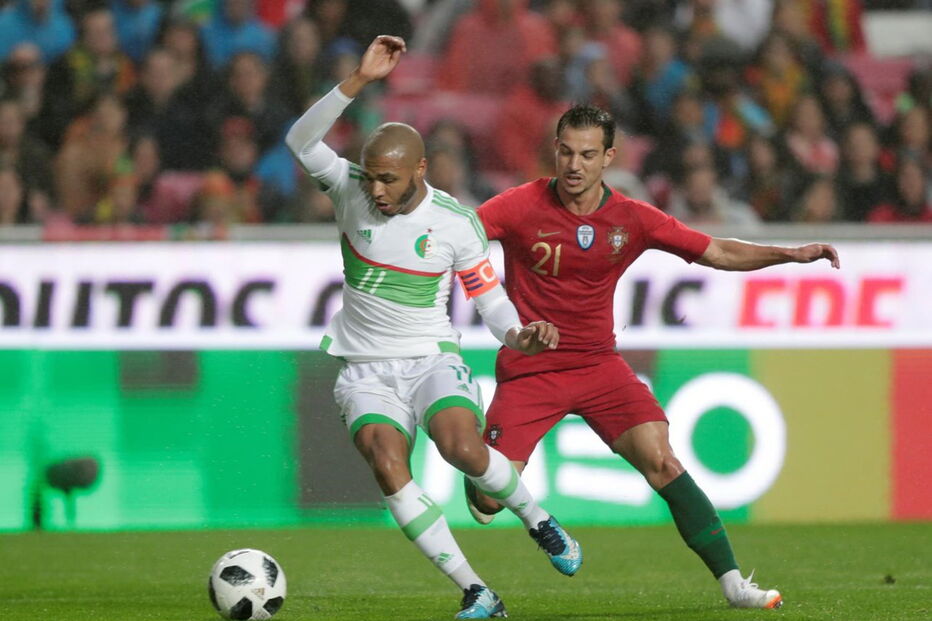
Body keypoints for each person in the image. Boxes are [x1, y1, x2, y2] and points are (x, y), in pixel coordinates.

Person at [465, 103, 841, 610]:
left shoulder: (632, 218)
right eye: (567, 152)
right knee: (486, 500)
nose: (575, 165)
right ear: (554, 150)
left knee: (662, 460)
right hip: (533, 368)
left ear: (609, 158)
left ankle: (734, 586)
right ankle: (466, 437)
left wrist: (789, 255)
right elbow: (455, 241)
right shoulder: (517, 206)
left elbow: (716, 251)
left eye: (588, 155)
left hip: (599, 366)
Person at [285, 35, 582, 619]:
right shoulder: (348, 189)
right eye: (370, 177)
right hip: (364, 368)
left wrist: (519, 334)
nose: (375, 190)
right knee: (388, 466)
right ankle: (477, 590)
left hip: (429, 358)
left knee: (462, 448)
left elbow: (488, 298)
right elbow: (300, 140)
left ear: (419, 170)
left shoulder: (455, 223)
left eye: (388, 180)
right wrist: (359, 81)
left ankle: (540, 521)